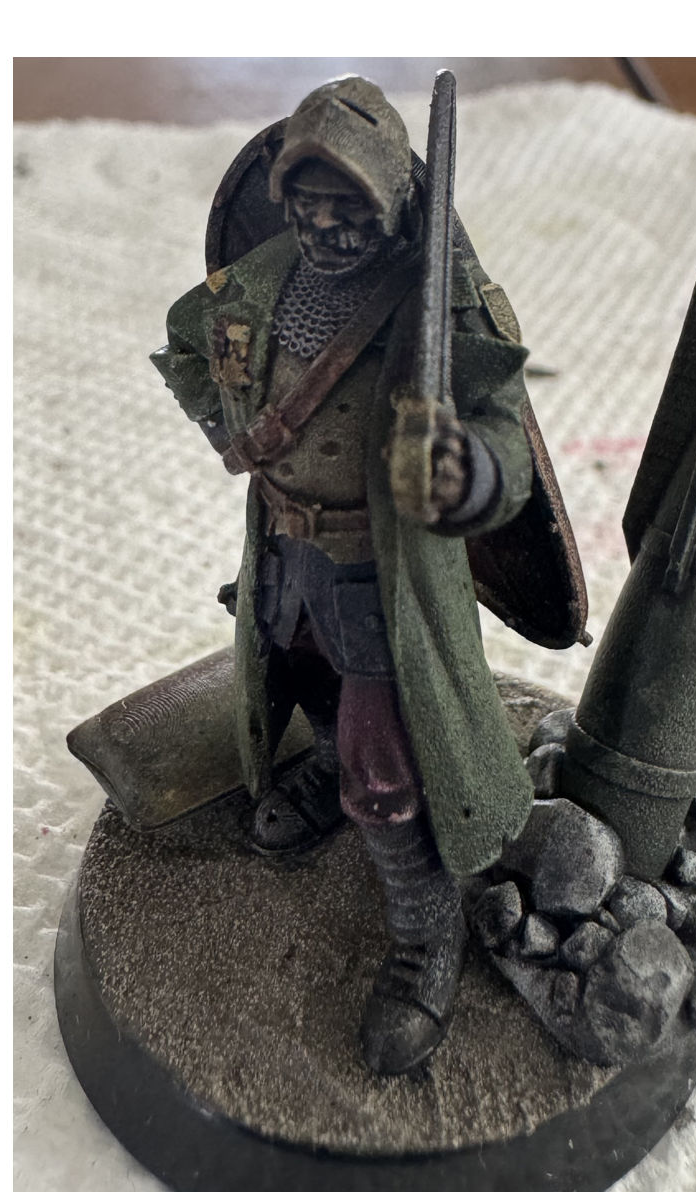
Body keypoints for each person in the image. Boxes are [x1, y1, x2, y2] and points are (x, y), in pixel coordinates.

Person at [156, 77, 554, 1074]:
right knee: (301, 682)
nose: (327, 229)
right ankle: (329, 772)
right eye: (307, 205)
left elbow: (502, 422)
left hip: (385, 575)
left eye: (349, 209)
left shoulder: (436, 297)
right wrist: (224, 426)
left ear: (390, 203)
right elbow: (188, 340)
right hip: (283, 552)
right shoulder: (259, 281)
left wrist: (468, 473)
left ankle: (424, 939)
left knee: (385, 762)